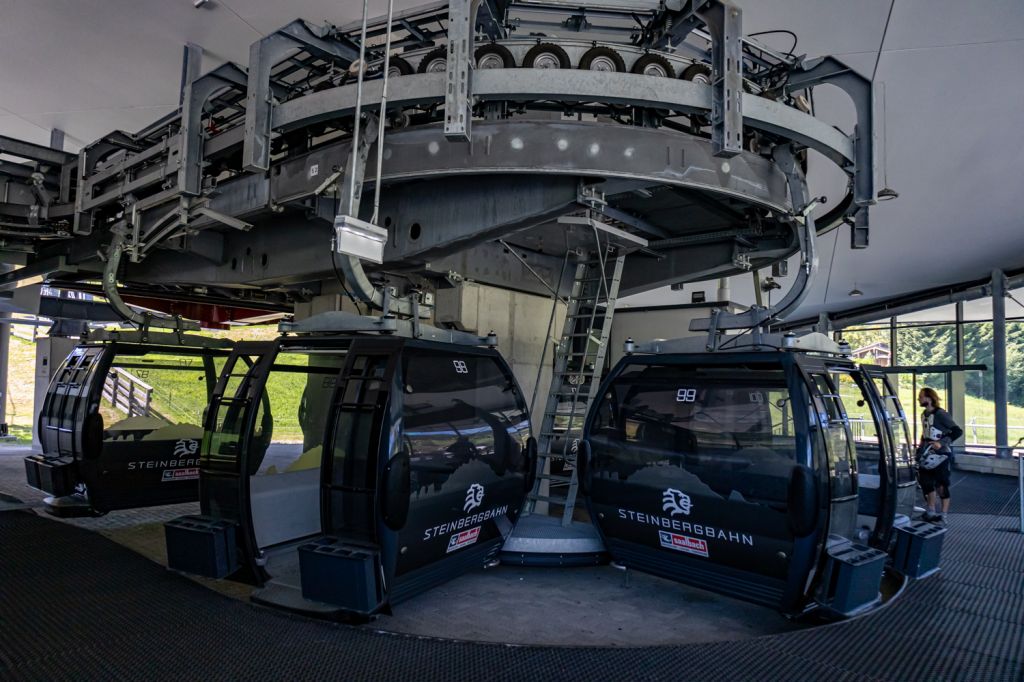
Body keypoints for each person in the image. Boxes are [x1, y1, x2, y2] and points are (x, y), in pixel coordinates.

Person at [916, 387, 963, 524]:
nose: (919, 398)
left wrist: (941, 443)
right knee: (926, 483)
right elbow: (925, 433)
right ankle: (931, 511)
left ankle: (943, 515)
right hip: (927, 453)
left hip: (940, 455)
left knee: (941, 485)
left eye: (921, 396)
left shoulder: (941, 414)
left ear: (929, 398)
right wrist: (920, 449)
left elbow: (957, 431)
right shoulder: (924, 414)